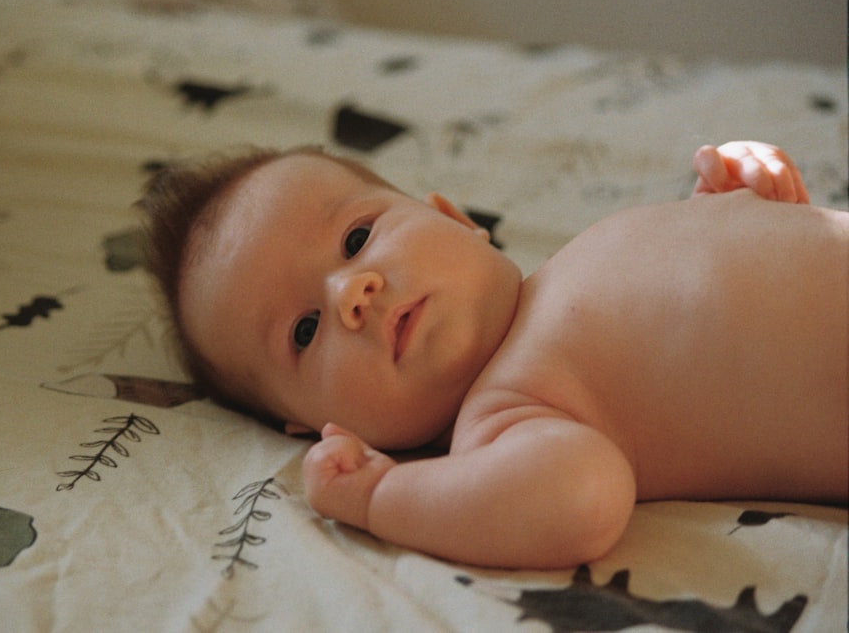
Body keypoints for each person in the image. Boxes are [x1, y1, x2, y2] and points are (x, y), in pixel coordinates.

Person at [137, 141, 848, 569]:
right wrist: (380, 497)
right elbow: (583, 498)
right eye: (303, 330)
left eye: (356, 239)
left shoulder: (570, 266)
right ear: (309, 424)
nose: (352, 289)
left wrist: (736, 198)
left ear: (454, 220)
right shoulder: (506, 416)